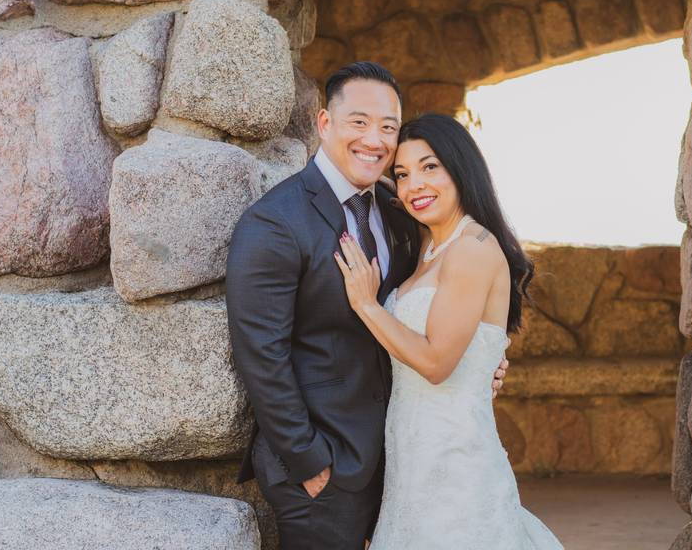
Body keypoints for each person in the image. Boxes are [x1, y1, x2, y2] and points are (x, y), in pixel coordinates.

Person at [225, 62, 509, 550]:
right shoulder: (275, 222)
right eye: (359, 122)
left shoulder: (400, 214)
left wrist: (480, 361)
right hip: (325, 465)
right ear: (324, 123)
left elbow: (438, 313)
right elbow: (260, 355)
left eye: (388, 128)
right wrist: (308, 460)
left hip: (402, 460)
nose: (374, 140)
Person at [335, 113, 564, 549]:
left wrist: (366, 304)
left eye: (429, 167)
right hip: (411, 460)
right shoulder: (427, 245)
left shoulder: (472, 248)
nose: (413, 184)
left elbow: (437, 364)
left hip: (455, 463)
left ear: (461, 168)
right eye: (401, 174)